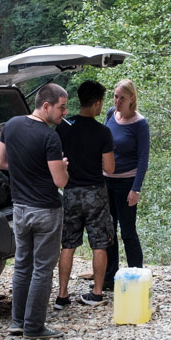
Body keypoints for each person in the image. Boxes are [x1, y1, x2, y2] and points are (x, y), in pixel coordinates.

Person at [0, 83, 69, 339]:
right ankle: (34, 327)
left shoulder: (11, 125)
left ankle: (17, 322)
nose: (64, 112)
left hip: (20, 209)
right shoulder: (50, 137)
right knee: (42, 269)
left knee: (22, 265)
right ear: (46, 106)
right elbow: (60, 181)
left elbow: (1, 162)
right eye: (61, 107)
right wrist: (63, 166)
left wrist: (25, 170)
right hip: (46, 211)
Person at [54, 80, 116, 308]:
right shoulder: (103, 132)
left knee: (68, 244)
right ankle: (97, 293)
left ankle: (62, 295)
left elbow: (54, 159)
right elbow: (109, 169)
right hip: (95, 193)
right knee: (99, 243)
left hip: (69, 191)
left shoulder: (64, 127)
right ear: (97, 103)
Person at [102, 79, 149, 291]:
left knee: (128, 231)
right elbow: (102, 143)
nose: (118, 101)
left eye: (122, 97)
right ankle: (110, 276)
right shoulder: (111, 114)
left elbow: (143, 158)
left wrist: (136, 188)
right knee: (108, 230)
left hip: (127, 183)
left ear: (132, 98)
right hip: (106, 181)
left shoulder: (140, 124)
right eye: (115, 96)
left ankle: (136, 275)